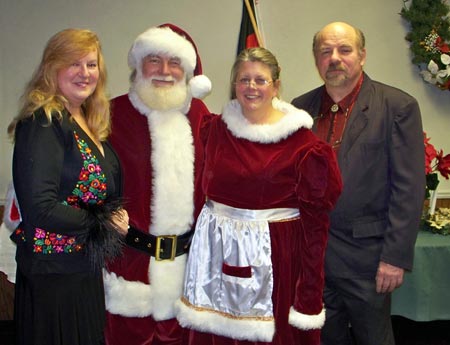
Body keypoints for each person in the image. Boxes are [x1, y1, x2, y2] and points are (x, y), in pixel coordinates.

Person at [175, 47, 343, 345]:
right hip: (213, 256)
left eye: (260, 80)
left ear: (276, 86)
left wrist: (308, 294)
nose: (251, 87)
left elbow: (316, 227)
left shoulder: (304, 146)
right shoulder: (214, 129)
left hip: (274, 260)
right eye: (243, 80)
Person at [291, 22, 425, 345]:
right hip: (312, 262)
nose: (334, 58)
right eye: (325, 51)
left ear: (362, 56)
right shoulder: (298, 110)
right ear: (316, 59)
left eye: (344, 49)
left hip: (368, 261)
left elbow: (408, 189)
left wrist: (395, 257)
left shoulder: (397, 107)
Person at [6, 28, 129, 345]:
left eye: (91, 64)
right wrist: (104, 223)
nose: (85, 73)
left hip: (83, 268)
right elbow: (40, 209)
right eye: (74, 63)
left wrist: (115, 216)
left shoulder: (90, 122)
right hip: (53, 276)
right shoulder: (44, 121)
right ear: (52, 67)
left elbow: (102, 194)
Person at [102, 24, 212, 345]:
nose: (164, 70)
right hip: (129, 270)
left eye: (174, 62)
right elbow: (81, 179)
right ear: (138, 65)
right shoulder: (109, 115)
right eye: (154, 59)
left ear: (188, 71)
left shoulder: (203, 117)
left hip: (189, 274)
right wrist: (101, 214)